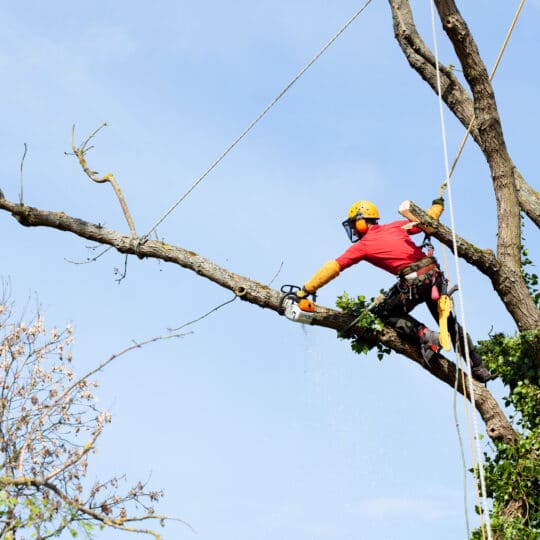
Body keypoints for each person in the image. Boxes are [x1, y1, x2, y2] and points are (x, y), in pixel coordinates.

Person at [296, 199, 494, 383]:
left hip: (415, 282)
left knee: (385, 313)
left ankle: (427, 336)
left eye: (354, 226)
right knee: (450, 325)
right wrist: (438, 205)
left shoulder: (363, 246)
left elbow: (334, 266)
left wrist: (306, 289)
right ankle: (478, 368)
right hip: (434, 277)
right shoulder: (395, 226)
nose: (355, 233)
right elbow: (428, 218)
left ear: (361, 222)